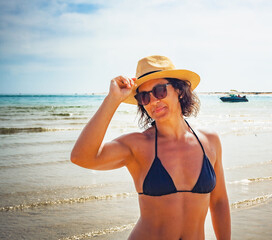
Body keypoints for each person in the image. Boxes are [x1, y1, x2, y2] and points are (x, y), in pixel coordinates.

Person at [70, 55, 231, 239]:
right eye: (144, 96)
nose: (153, 101)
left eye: (160, 91)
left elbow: (219, 202)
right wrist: (112, 100)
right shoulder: (137, 146)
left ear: (179, 90)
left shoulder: (209, 141)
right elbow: (81, 157)